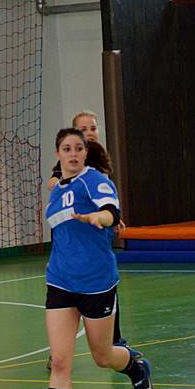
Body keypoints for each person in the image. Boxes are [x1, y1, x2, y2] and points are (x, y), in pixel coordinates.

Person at [41, 128, 154, 389]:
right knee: (60, 361)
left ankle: (136, 368)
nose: (73, 154)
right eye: (66, 149)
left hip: (96, 282)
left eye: (78, 148)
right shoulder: (57, 192)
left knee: (102, 356)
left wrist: (99, 218)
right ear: (58, 154)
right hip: (60, 280)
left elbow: (111, 212)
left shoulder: (95, 181)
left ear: (85, 153)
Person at [46, 110, 129, 372]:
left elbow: (108, 202)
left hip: (95, 241)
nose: (90, 132)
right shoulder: (68, 165)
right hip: (69, 239)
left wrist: (109, 217)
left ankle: (115, 342)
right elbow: (54, 183)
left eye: (93, 128)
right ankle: (59, 351)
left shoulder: (97, 167)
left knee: (102, 284)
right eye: (84, 129)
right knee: (67, 293)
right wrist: (60, 186)